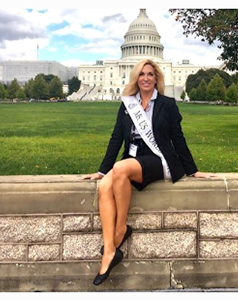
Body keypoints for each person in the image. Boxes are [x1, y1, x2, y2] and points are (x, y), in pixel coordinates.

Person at [83, 59, 214, 285]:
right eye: (142, 74)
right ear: (136, 78)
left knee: (121, 168)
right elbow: (116, 138)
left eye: (150, 74)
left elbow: (177, 138)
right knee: (105, 185)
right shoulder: (127, 105)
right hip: (133, 158)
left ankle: (120, 230)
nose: (145, 78)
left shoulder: (167, 104)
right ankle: (110, 251)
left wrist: (193, 170)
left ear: (156, 78)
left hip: (158, 159)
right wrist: (101, 171)